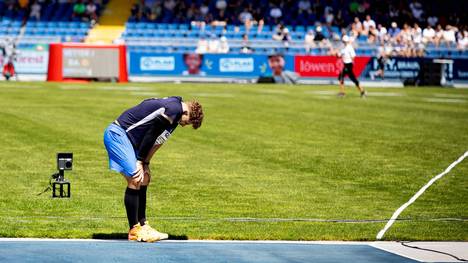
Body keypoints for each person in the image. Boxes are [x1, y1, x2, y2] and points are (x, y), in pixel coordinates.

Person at [103, 97, 204, 242]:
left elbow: (158, 141)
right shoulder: (173, 109)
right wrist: (139, 161)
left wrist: (146, 163)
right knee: (135, 177)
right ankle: (134, 230)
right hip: (118, 134)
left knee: (144, 177)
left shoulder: (175, 117)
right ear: (187, 112)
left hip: (129, 140)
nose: (184, 125)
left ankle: (143, 226)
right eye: (187, 122)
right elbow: (151, 133)